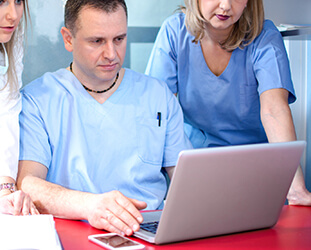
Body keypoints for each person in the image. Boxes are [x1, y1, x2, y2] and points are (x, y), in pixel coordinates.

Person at [17, 0, 191, 236]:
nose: (112, 54)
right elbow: (28, 184)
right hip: (75, 231)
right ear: (68, 39)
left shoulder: (158, 95)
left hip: (149, 232)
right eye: (97, 41)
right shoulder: (38, 100)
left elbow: (189, 179)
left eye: (119, 39)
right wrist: (89, 206)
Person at [145, 0, 311, 206]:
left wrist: (295, 189)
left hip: (255, 169)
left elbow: (274, 110)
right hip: (194, 167)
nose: (225, 6)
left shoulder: (265, 36)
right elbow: (158, 115)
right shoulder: (174, 31)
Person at [0, 0, 38, 215]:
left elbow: (6, 112)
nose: (13, 15)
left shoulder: (12, 38)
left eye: (18, 1)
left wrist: (5, 190)